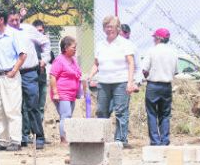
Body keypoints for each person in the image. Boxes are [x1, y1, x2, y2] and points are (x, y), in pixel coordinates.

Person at [87, 15, 137, 146]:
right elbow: (96, 64)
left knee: (121, 111)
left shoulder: (125, 44)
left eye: (112, 26)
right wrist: (90, 75)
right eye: (106, 27)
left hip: (121, 81)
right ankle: (103, 138)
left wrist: (130, 82)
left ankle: (120, 140)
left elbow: (131, 63)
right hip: (103, 82)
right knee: (102, 111)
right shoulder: (100, 44)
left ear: (117, 28)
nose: (109, 29)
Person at [8, 10, 50, 149]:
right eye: (12, 20)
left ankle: (39, 137)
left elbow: (45, 42)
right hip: (12, 74)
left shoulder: (28, 30)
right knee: (15, 107)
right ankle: (20, 138)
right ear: (7, 21)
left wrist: (44, 59)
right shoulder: (6, 34)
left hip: (29, 73)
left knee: (32, 106)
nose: (15, 22)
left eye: (17, 19)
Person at [0, 9, 27, 151]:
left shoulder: (13, 34)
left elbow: (23, 55)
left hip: (10, 76)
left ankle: (15, 140)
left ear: (1, 20)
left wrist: (14, 70)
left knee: (12, 109)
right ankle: (4, 140)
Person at [142, 28, 179, 146]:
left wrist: (147, 76)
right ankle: (165, 140)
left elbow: (144, 69)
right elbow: (175, 71)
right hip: (167, 86)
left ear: (159, 38)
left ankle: (155, 140)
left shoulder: (152, 51)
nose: (153, 40)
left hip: (153, 85)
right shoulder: (173, 52)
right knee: (165, 114)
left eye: (154, 37)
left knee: (152, 113)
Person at [49, 36, 82, 144]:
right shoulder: (59, 60)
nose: (75, 49)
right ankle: (63, 139)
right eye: (73, 47)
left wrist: (78, 91)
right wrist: (55, 93)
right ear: (66, 47)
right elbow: (52, 76)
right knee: (66, 115)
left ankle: (67, 137)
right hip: (62, 93)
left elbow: (77, 75)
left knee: (68, 116)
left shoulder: (73, 60)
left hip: (72, 94)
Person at [33, 20, 55, 119]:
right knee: (31, 106)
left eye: (41, 31)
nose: (39, 33)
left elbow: (52, 60)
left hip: (42, 78)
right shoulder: (30, 44)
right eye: (37, 31)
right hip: (31, 79)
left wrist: (46, 46)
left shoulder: (45, 45)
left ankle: (39, 128)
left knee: (41, 107)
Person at [119, 24, 141, 91]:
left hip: (125, 80)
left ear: (128, 34)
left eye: (125, 32)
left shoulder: (131, 46)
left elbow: (138, 65)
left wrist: (137, 82)